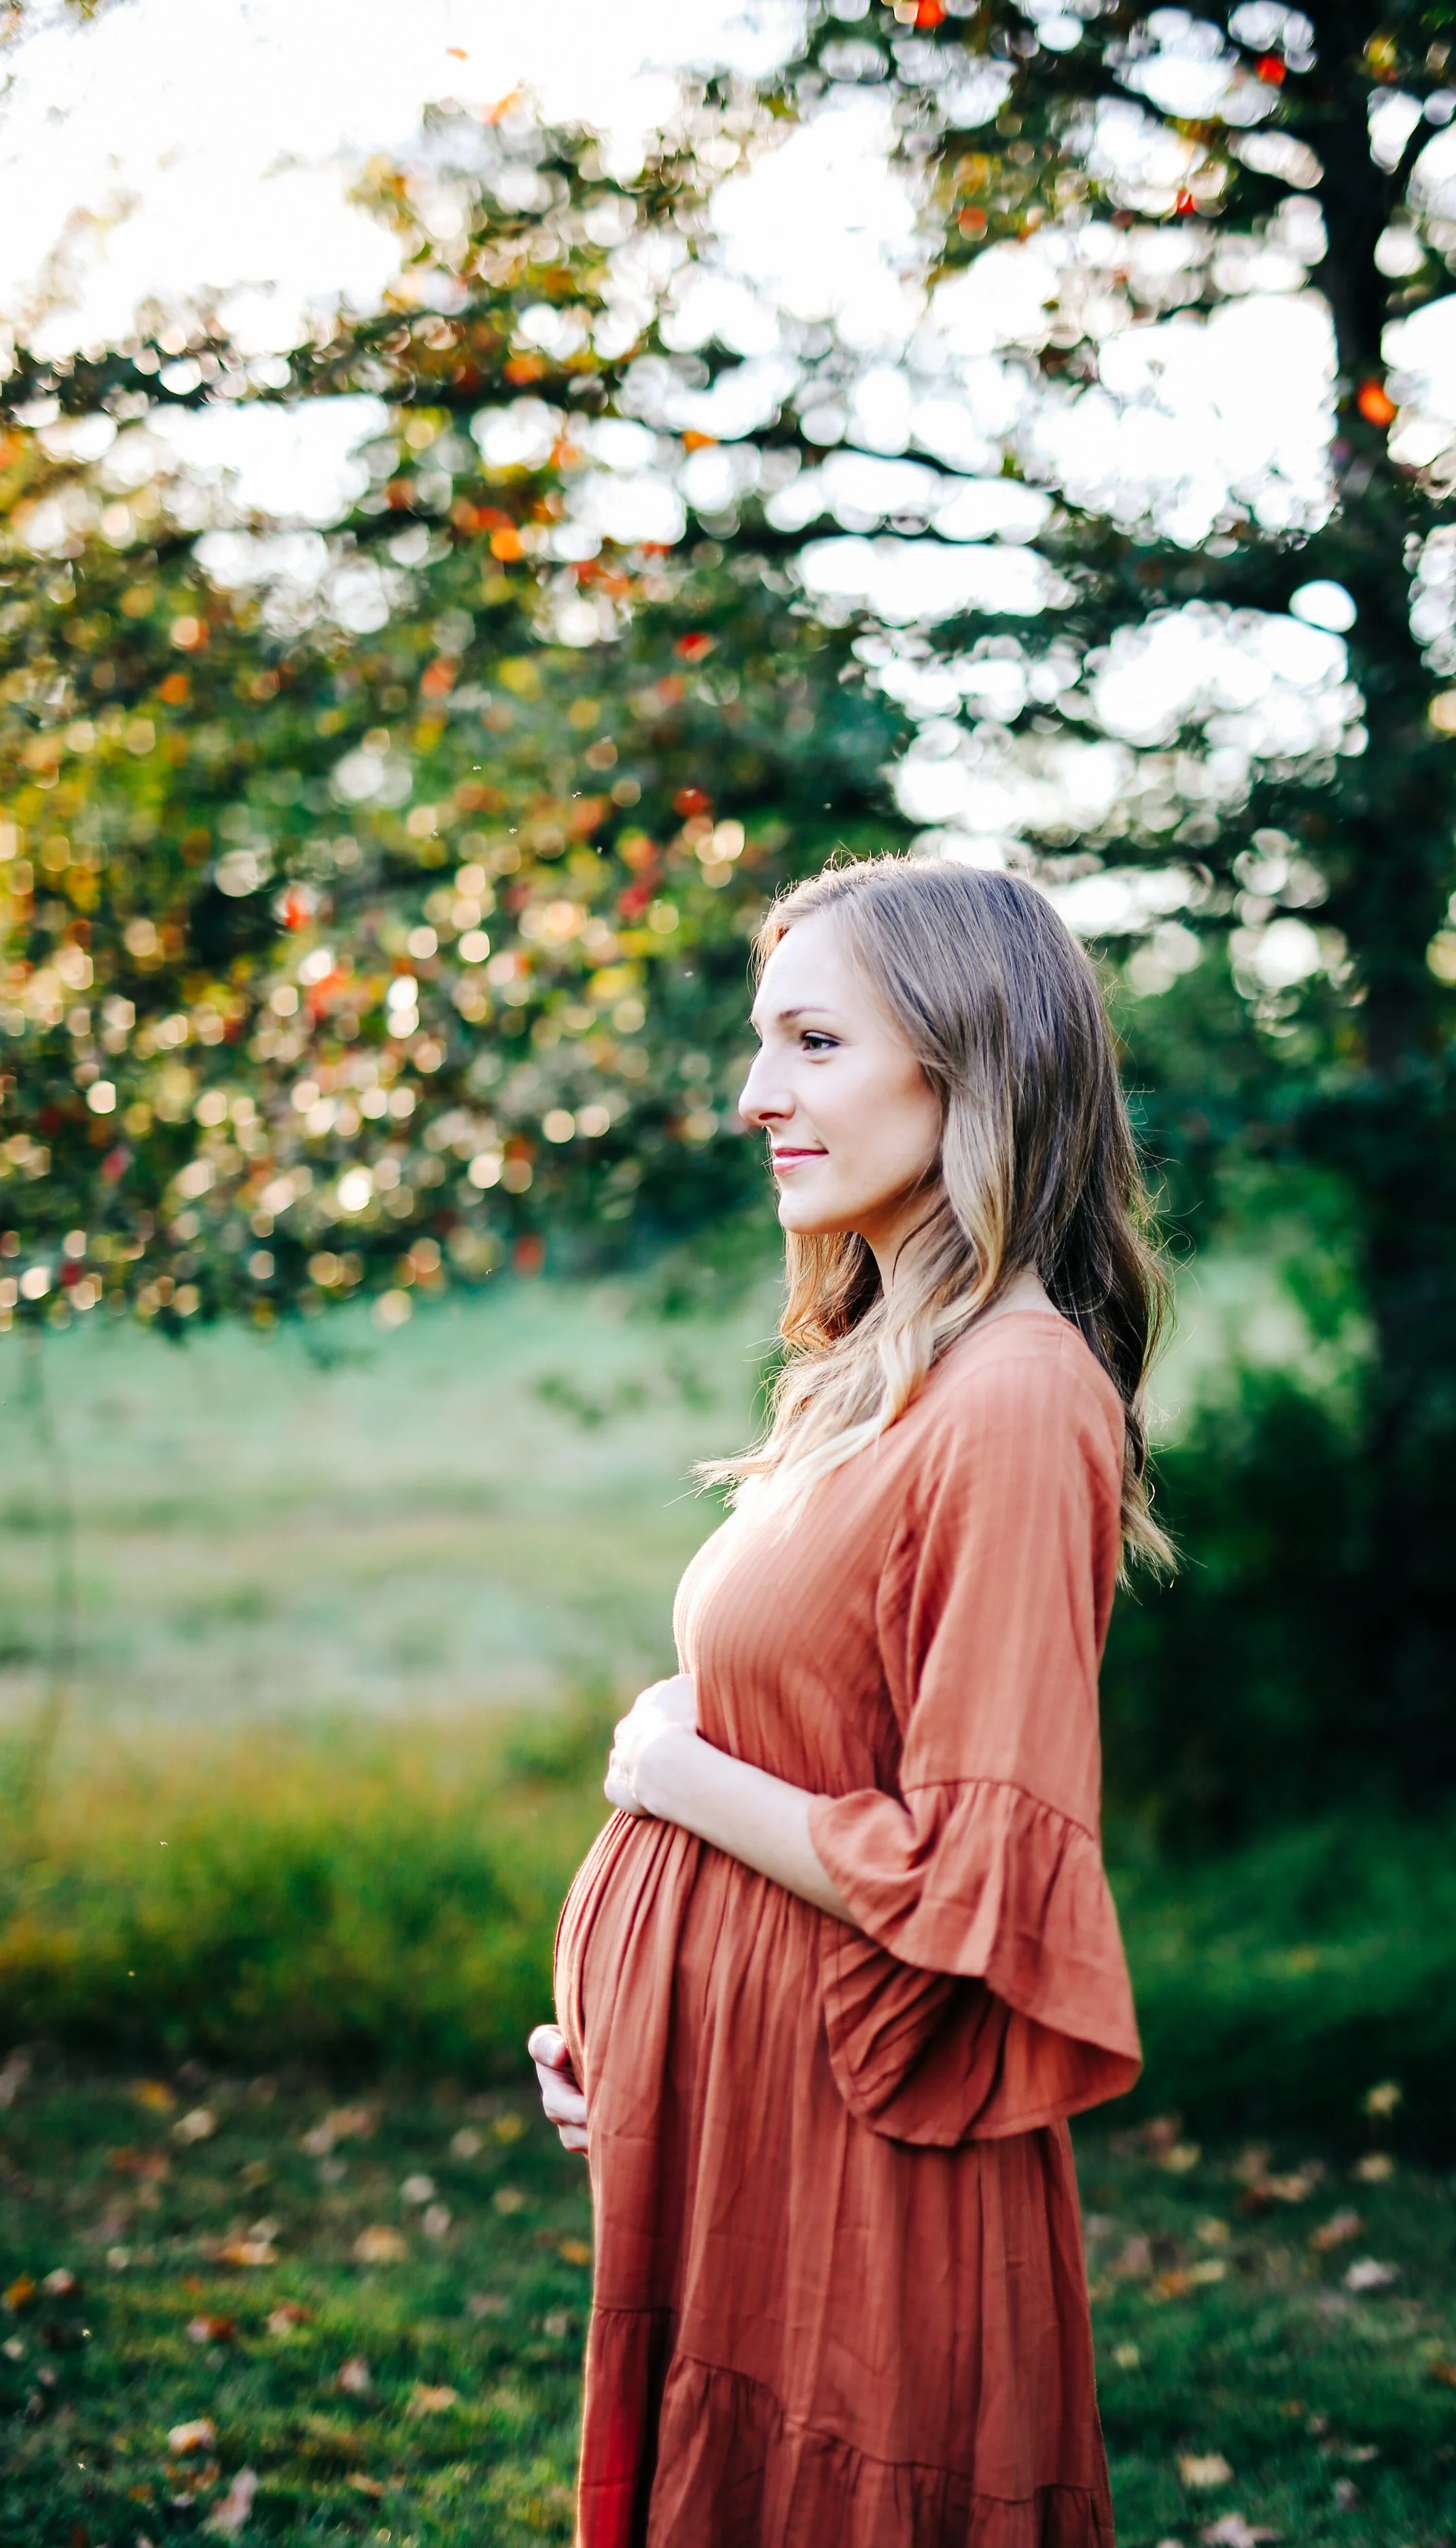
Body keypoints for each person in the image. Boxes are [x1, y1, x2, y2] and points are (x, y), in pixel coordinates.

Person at [528, 856, 1170, 2546]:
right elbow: (820, 1742)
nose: (755, 1097)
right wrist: (640, 2033)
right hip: (740, 2128)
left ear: (968, 1064)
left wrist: (666, 1773)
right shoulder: (888, 1375)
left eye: (812, 1042)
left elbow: (974, 1877)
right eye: (762, 1043)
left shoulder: (1020, 1399)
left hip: (858, 2179)